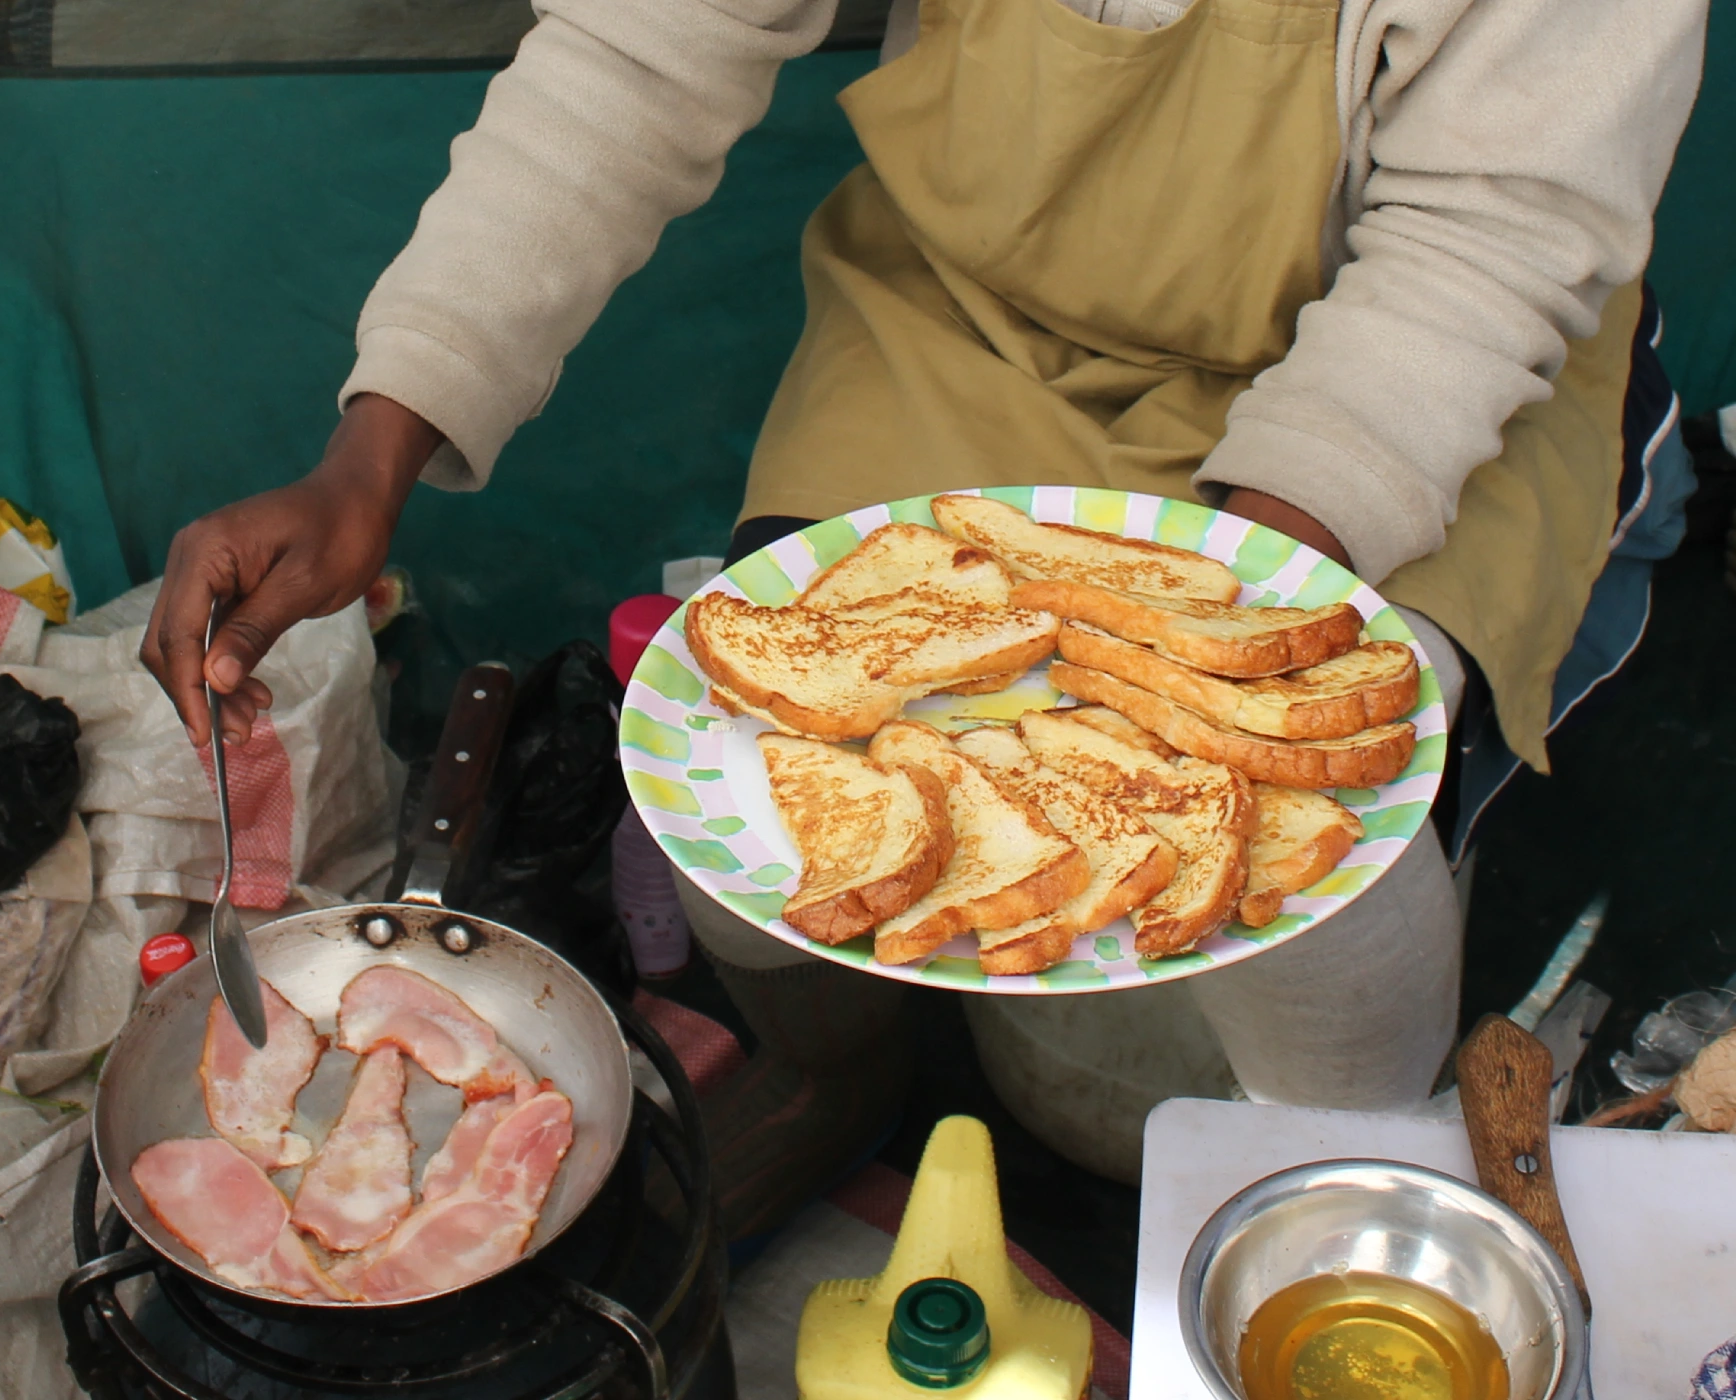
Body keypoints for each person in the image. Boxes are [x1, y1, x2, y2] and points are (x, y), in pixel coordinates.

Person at [142, 0, 1704, 1236]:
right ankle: (834, 1073)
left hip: (1408, 373)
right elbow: (641, 42)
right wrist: (379, 442)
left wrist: (1187, 643)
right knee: (757, 757)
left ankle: (1325, 1179)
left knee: (1290, 842)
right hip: (989, 324)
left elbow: (1483, 246)